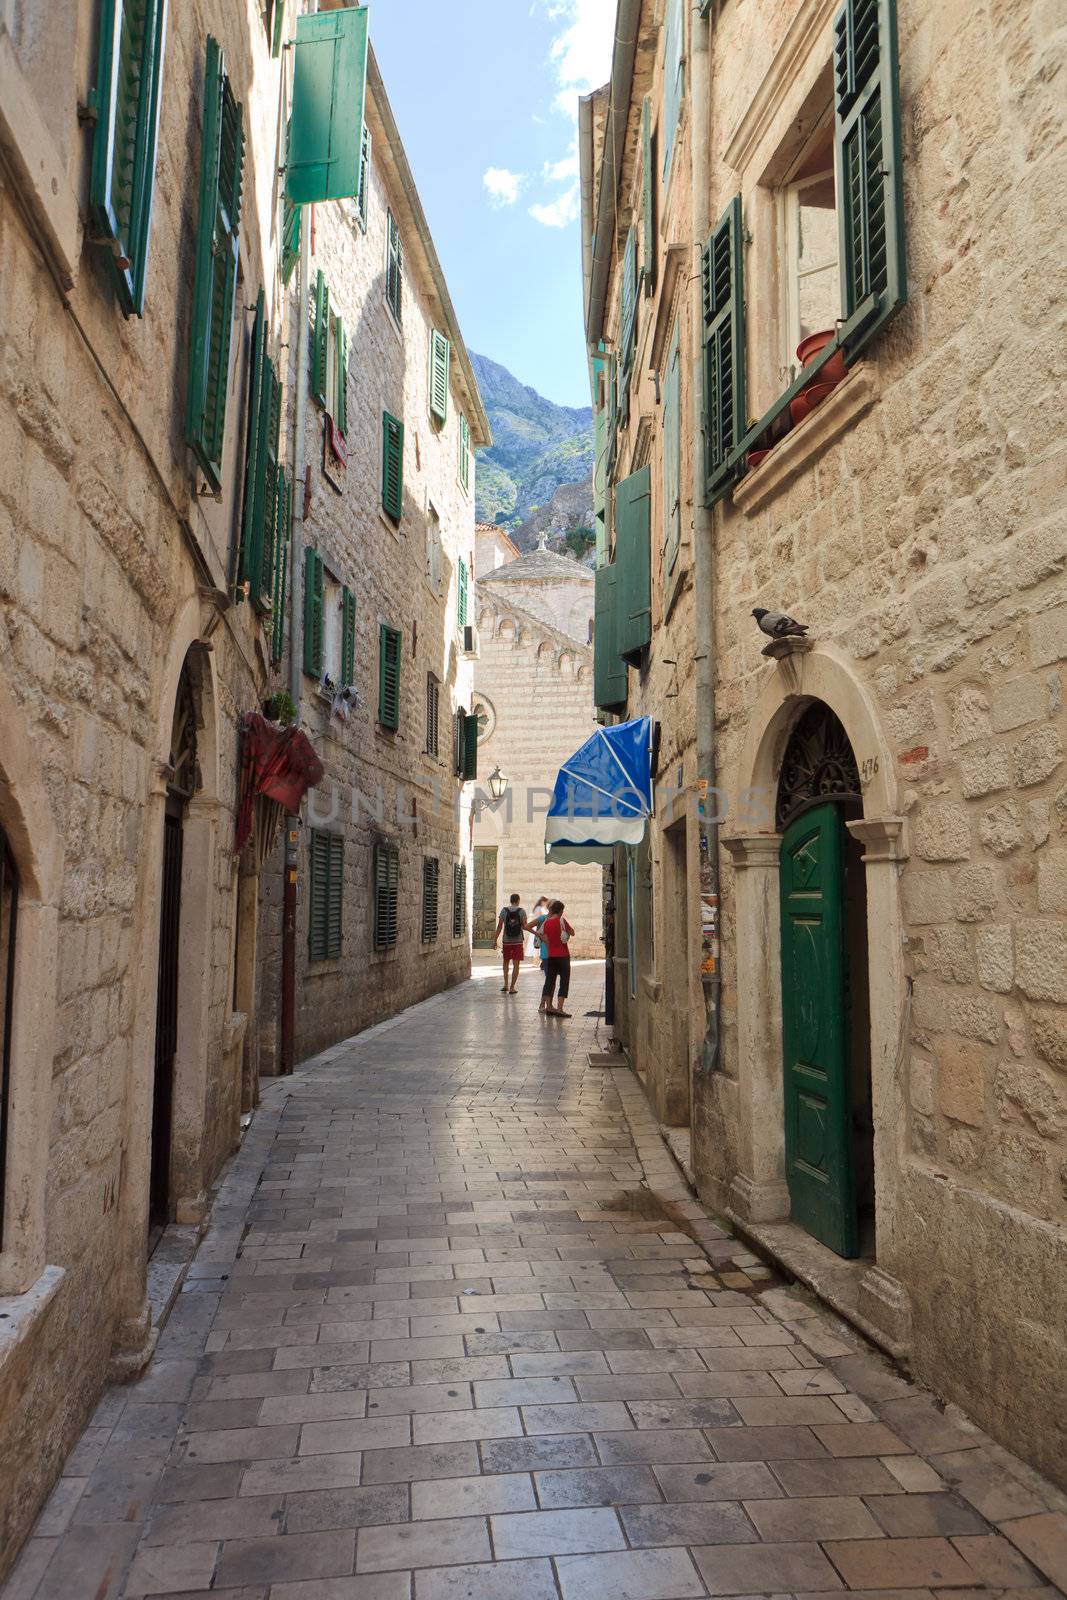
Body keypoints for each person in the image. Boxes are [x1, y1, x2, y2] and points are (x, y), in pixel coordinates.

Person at [539, 900, 574, 1017]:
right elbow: (572, 932)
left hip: (551, 956)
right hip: (563, 955)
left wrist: (548, 942)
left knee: (550, 981)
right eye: (562, 910)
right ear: (560, 910)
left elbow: (541, 934)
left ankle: (549, 1007)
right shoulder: (561, 921)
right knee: (564, 981)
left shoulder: (547, 922)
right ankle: (559, 1008)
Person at [493, 893, 528, 993]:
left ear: (510, 900)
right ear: (518, 900)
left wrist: (495, 940)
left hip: (506, 941)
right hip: (518, 941)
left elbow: (499, 926)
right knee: (516, 964)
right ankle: (512, 987)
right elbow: (525, 926)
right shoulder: (522, 911)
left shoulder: (504, 911)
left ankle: (505, 984)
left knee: (506, 962)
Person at [528, 895, 550, 966]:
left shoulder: (541, 908)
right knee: (537, 945)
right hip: (537, 928)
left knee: (539, 946)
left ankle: (539, 962)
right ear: (543, 901)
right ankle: (536, 962)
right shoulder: (539, 908)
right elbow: (538, 918)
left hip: (539, 928)